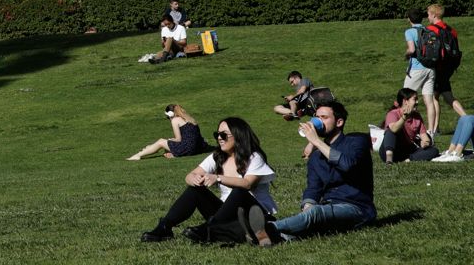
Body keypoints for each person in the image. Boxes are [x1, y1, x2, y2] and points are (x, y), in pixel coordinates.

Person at [245, 101, 375, 246]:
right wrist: (307, 206)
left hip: (357, 208)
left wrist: (316, 142)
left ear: (339, 122)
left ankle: (267, 229)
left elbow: (347, 165)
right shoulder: (315, 158)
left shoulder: (356, 141)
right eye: (316, 117)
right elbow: (313, 188)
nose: (318, 121)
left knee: (316, 214)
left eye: (324, 117)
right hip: (327, 208)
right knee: (311, 217)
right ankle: (274, 237)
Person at [139, 117, 277, 244]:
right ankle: (164, 228)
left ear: (238, 135)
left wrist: (217, 178)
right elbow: (190, 175)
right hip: (226, 216)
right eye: (216, 135)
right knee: (195, 190)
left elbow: (247, 184)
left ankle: (209, 228)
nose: (219, 138)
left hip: (254, 216)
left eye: (223, 135)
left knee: (239, 192)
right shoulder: (218, 156)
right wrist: (194, 179)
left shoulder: (254, 157)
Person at [427, 4, 466, 128]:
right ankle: (436, 127)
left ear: (434, 15)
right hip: (449, 66)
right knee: (440, 94)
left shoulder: (432, 30)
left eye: (428, 14)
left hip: (438, 66)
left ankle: (465, 118)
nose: (427, 17)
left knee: (439, 96)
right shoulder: (451, 30)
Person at [403, 8, 439, 137]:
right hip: (430, 68)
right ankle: (431, 131)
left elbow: (412, 49)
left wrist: (406, 54)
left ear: (409, 19)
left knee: (405, 97)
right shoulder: (428, 30)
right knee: (429, 100)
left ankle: (407, 128)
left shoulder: (409, 31)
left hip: (417, 69)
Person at [128, 104, 210, 160]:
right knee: (166, 145)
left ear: (171, 115)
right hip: (197, 148)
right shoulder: (190, 119)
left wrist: (170, 140)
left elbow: (178, 139)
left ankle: (138, 155)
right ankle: (172, 154)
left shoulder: (175, 120)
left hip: (188, 148)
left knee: (160, 142)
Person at [380, 88, 438, 163]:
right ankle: (389, 159)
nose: (417, 102)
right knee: (390, 132)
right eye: (415, 99)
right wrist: (404, 117)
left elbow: (425, 137)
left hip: (406, 150)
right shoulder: (393, 114)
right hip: (390, 149)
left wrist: (425, 143)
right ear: (405, 101)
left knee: (433, 150)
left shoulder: (417, 116)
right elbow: (393, 129)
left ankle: (408, 160)